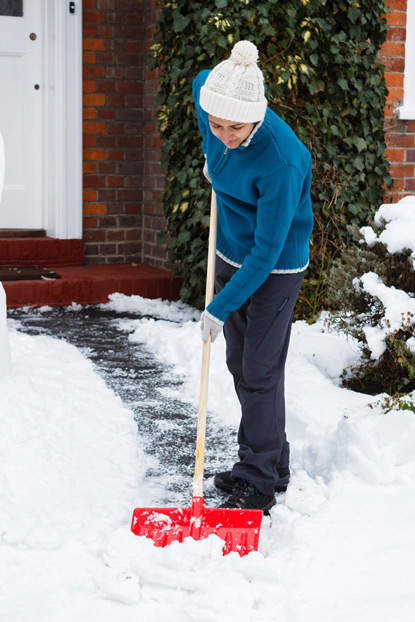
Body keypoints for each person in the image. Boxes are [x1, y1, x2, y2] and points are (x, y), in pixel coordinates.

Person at [192, 40, 313, 514]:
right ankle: (272, 460)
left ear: (258, 116)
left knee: (260, 371)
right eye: (215, 123)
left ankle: (259, 480)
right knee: (242, 364)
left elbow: (266, 253)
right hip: (230, 250)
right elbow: (205, 76)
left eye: (234, 127)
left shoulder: (282, 160)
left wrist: (217, 309)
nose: (222, 133)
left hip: (274, 267)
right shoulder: (215, 101)